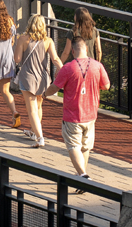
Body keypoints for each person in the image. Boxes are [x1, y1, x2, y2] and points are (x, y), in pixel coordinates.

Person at [44, 37, 110, 189]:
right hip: (91, 114)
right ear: (86, 48)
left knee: (74, 146)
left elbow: (55, 87)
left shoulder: (68, 68)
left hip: (72, 115)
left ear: (73, 51)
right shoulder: (97, 66)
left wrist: (44, 94)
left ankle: (82, 175)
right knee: (85, 147)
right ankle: (82, 176)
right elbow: (106, 85)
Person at [12, 14, 62, 148]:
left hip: (28, 77)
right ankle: (34, 132)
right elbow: (55, 59)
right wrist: (63, 71)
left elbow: (17, 59)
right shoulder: (48, 41)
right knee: (39, 106)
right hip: (43, 78)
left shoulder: (22, 39)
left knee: (31, 109)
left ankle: (40, 137)